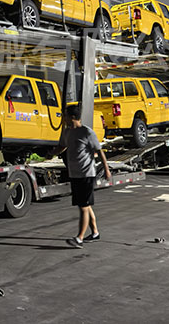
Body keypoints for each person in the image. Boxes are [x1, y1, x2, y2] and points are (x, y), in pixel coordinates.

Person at [56, 103, 111, 249]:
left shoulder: (87, 132)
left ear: (73, 117)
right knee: (84, 205)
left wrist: (106, 169)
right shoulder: (67, 132)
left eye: (66, 116)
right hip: (74, 174)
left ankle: (79, 238)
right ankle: (95, 233)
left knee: (83, 207)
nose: (64, 119)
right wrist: (49, 153)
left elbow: (99, 151)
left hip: (87, 174)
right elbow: (62, 146)